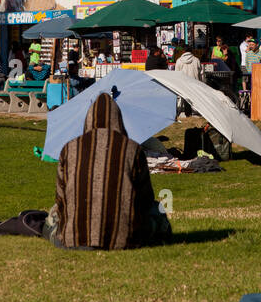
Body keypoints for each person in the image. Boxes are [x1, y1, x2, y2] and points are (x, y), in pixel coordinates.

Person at [44, 93, 170, 250]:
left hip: (75, 239)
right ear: (118, 120)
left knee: (52, 215)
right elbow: (145, 199)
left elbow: (61, 198)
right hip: (125, 239)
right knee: (157, 210)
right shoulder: (132, 148)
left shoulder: (69, 148)